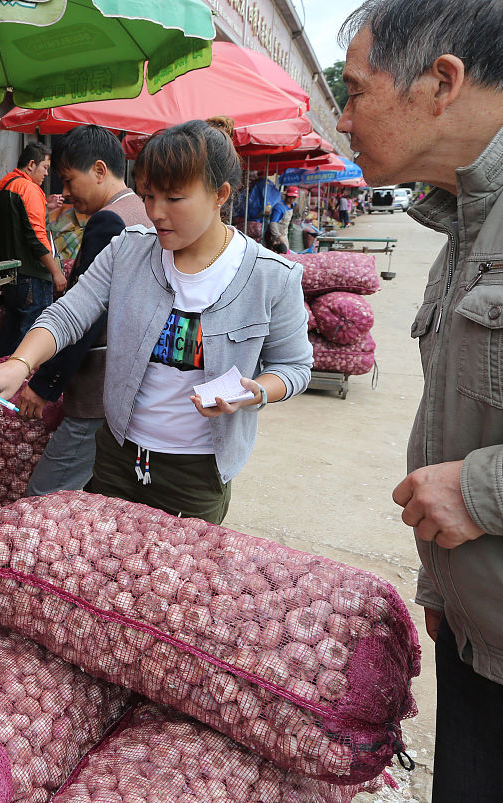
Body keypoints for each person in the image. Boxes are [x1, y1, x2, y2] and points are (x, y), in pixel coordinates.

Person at [0, 118, 312, 524]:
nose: (156, 214)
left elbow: (295, 367)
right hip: (118, 457)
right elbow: (70, 313)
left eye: (174, 199)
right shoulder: (129, 251)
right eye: (148, 196)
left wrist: (256, 392)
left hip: (195, 475)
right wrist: (20, 364)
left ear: (220, 195)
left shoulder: (271, 277)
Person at [337, 1, 503, 798]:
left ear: (442, 82)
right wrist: (442, 588)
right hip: (477, 645)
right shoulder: (464, 228)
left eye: (355, 92)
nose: (340, 119)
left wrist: (480, 490)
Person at [18, 124, 153, 495]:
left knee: (43, 495)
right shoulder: (141, 212)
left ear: (98, 170)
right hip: (130, 384)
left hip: (98, 386)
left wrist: (45, 384)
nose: (63, 192)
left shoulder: (109, 222)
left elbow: (86, 316)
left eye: (67, 179)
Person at [0, 142, 65, 355]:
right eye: (44, 167)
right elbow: (36, 236)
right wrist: (56, 271)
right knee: (32, 336)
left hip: (11, 274)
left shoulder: (3, 185)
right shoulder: (29, 188)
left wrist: (45, 206)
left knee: (13, 328)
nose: (46, 173)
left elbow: (18, 224)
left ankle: (1, 376)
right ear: (31, 164)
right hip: (32, 276)